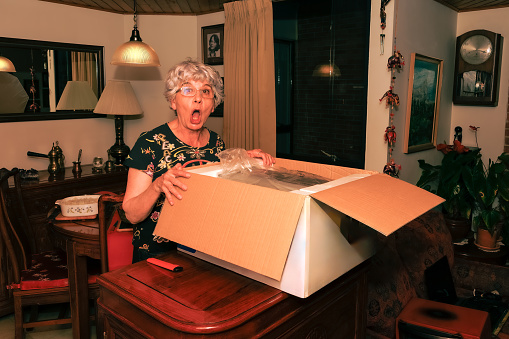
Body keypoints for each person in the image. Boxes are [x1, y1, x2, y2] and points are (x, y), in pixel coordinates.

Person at [122, 59, 275, 263]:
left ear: (213, 105)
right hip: (155, 255)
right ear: (173, 102)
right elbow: (132, 215)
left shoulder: (216, 142)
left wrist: (244, 160)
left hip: (202, 252)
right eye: (187, 90)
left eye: (205, 91)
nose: (198, 99)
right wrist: (157, 185)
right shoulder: (150, 142)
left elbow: (218, 193)